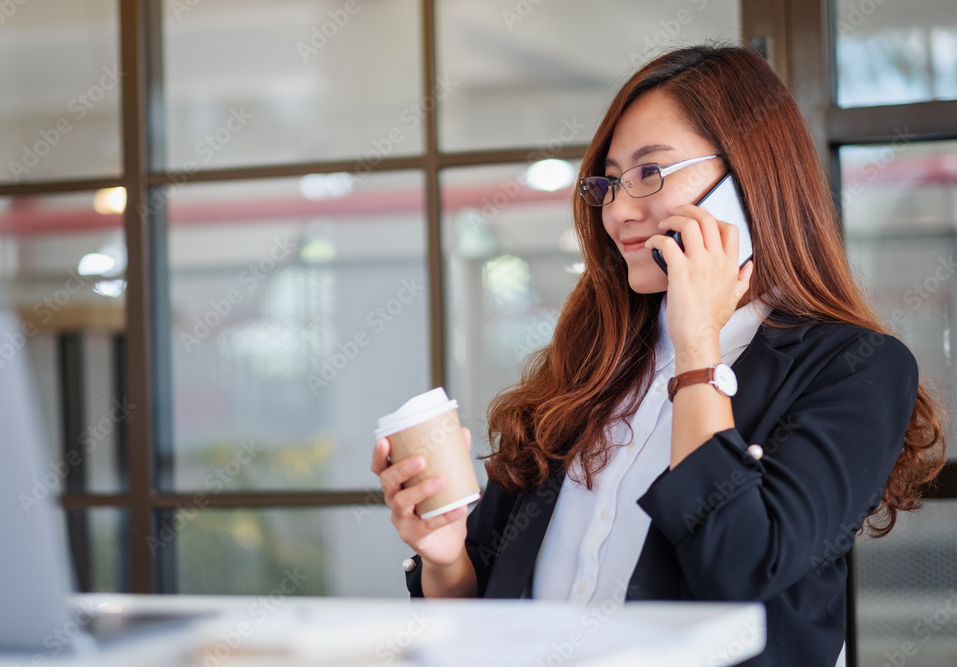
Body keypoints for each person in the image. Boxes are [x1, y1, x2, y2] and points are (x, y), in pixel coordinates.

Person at [371, 45, 946, 666]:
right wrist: (445, 554)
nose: (619, 210)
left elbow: (743, 567)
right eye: (610, 182)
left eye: (651, 173)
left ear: (747, 183)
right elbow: (482, 623)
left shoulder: (855, 367)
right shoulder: (592, 363)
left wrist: (699, 350)